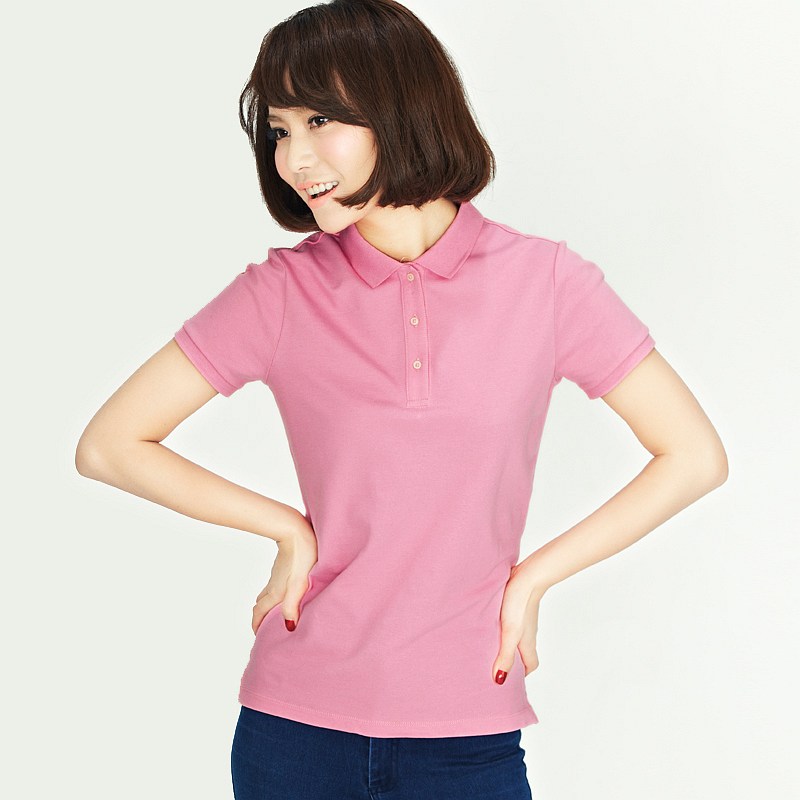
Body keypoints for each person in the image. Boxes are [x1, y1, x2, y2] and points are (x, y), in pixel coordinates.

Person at [75, 0, 729, 797]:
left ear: (401, 106)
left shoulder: (546, 282)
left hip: (468, 734)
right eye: (280, 129)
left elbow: (693, 456)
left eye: (320, 120)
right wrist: (284, 526)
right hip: (293, 733)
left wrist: (532, 579)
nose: (295, 157)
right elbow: (109, 445)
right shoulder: (281, 294)